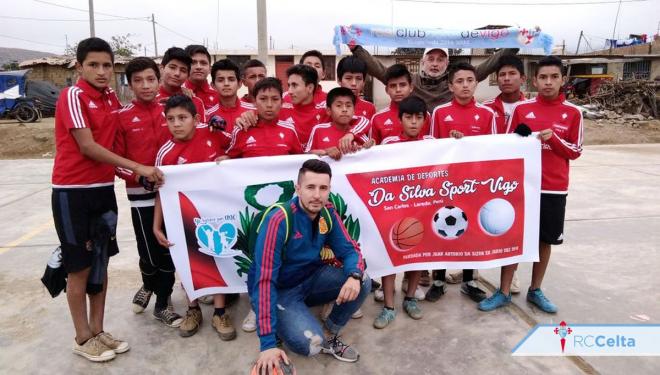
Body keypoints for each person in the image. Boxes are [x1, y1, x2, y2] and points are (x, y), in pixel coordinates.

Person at [51, 37, 162, 362]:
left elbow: (119, 140)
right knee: (79, 268)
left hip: (102, 191)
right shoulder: (73, 95)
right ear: (79, 66)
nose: (101, 72)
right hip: (73, 194)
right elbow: (88, 146)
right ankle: (82, 337)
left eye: (106, 66)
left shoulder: (111, 97)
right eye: (93, 65)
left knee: (100, 262)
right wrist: (137, 166)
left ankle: (99, 331)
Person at [480, 56, 583, 313]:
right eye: (543, 77)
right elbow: (509, 144)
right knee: (514, 237)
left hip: (553, 188)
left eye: (554, 77)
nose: (548, 82)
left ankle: (535, 290)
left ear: (563, 80)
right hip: (523, 186)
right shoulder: (522, 110)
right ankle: (503, 292)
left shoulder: (573, 113)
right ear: (535, 80)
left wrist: (555, 139)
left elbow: (576, 150)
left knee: (544, 241)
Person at [249, 159, 370, 373]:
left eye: (323, 188)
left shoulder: (327, 212)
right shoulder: (279, 219)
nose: (317, 195)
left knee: (363, 280)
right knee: (310, 347)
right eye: (310, 187)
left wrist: (354, 275)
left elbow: (350, 250)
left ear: (329, 189)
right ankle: (277, 323)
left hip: (311, 279)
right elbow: (264, 280)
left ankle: (331, 331)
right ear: (298, 189)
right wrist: (267, 345)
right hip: (282, 290)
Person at [152, 95, 237, 340]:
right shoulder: (165, 154)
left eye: (182, 118)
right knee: (187, 263)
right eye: (170, 119)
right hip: (182, 217)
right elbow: (161, 191)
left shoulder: (214, 135)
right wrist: (157, 225)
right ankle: (193, 309)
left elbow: (238, 152)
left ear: (196, 119)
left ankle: (220, 312)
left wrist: (229, 159)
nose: (176, 124)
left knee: (217, 258)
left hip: (216, 213)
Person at [114, 57, 182, 327]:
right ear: (129, 85)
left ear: (159, 79)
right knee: (149, 252)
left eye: (150, 79)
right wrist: (138, 175)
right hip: (141, 198)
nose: (145, 86)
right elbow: (116, 161)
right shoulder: (120, 117)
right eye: (138, 81)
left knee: (168, 249)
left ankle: (162, 302)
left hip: (172, 196)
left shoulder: (171, 111)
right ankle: (148, 284)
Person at [427, 62, 497, 304]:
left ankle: (470, 281)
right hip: (447, 185)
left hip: (476, 185)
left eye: (469, 80)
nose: (465, 85)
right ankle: (438, 280)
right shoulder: (440, 113)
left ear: (476, 83)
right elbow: (432, 149)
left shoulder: (488, 115)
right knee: (441, 229)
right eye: (459, 81)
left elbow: (494, 151)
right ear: (450, 86)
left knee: (471, 231)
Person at [373, 95, 433, 329]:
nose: (414, 122)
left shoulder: (432, 142)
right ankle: (389, 306)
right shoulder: (388, 145)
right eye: (408, 117)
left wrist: (455, 141)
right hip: (393, 209)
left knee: (416, 256)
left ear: (425, 120)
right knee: (391, 258)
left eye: (419, 117)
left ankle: (409, 299)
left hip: (421, 209)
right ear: (400, 119)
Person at [480, 55, 528, 295]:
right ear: (496, 79)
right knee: (482, 222)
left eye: (512, 74)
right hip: (487, 178)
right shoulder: (486, 108)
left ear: (522, 78)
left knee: (513, 226)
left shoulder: (531, 108)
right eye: (502, 75)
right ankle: (472, 269)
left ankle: (512, 273)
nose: (507, 79)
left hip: (518, 178)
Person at [350, 44, 518, 110]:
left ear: (447, 63)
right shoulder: (410, 81)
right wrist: (356, 48)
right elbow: (380, 71)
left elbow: (489, 65)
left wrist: (515, 44)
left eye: (440, 59)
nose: (435, 64)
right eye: (431, 59)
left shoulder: (457, 81)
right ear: (423, 61)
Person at [222, 77, 303, 159]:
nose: (269, 105)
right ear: (254, 102)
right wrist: (224, 160)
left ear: (282, 102)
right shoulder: (242, 130)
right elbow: (230, 161)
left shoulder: (290, 130)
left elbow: (301, 161)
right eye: (263, 99)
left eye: (275, 99)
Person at [370, 64, 431, 145]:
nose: (398, 90)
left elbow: (431, 147)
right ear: (387, 90)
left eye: (402, 85)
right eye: (393, 86)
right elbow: (372, 152)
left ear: (411, 87)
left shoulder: (425, 115)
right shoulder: (377, 118)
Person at [305, 87, 372, 160]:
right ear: (328, 110)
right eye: (339, 106)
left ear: (354, 111)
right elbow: (306, 154)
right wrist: (325, 152)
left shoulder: (358, 133)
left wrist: (368, 147)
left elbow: (370, 154)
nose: (344, 109)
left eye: (348, 106)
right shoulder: (318, 130)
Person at [156, 47, 207, 123]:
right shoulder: (150, 100)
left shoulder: (195, 102)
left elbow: (201, 132)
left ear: (187, 75)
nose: (177, 73)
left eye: (183, 70)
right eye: (172, 67)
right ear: (161, 68)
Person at [207, 59, 256, 134]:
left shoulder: (254, 111)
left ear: (239, 84)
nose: (226, 83)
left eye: (231, 79)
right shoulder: (207, 116)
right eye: (220, 80)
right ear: (213, 85)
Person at [183, 44, 218, 117]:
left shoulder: (219, 96)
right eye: (193, 63)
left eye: (203, 63)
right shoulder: (177, 94)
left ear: (210, 69)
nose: (198, 67)